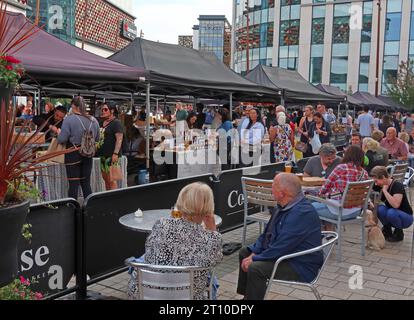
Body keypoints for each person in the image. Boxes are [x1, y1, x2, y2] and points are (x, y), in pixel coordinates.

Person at [128, 182, 223, 300]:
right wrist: (213, 231)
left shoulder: (161, 224)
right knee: (212, 279)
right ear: (208, 207)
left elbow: (151, 251)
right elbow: (215, 262)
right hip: (188, 296)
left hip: (149, 293)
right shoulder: (211, 238)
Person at [237, 173, 323, 300]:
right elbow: (266, 234)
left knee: (256, 268)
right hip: (286, 255)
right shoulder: (282, 206)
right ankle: (248, 296)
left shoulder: (302, 213)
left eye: (273, 186)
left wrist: (255, 259)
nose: (271, 188)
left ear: (283, 193)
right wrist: (254, 253)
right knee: (245, 252)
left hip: (300, 264)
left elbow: (282, 246)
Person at [57, 96, 100, 200]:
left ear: (73, 105)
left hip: (73, 154)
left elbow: (62, 139)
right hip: (88, 153)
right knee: (86, 183)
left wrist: (59, 133)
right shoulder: (94, 120)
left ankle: (73, 212)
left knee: (73, 184)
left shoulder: (69, 119)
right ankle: (89, 210)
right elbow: (97, 138)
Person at [313, 145, 369, 221]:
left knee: (308, 208)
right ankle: (330, 231)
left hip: (338, 211)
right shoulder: (364, 173)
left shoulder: (341, 168)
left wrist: (318, 195)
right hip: (356, 212)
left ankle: (323, 232)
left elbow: (324, 188)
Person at [370, 166, 413, 242]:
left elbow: (396, 205)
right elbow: (368, 190)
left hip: (406, 217)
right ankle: (387, 230)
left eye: (376, 181)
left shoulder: (397, 185)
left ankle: (399, 233)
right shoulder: (379, 184)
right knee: (380, 209)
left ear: (383, 177)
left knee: (391, 212)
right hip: (394, 213)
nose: (376, 184)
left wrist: (385, 191)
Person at [97, 103, 124, 191]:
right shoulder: (102, 122)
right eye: (102, 109)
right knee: (105, 178)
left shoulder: (116, 123)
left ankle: (113, 199)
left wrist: (115, 153)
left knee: (111, 179)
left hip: (111, 156)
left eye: (105, 109)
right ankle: (108, 196)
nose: (103, 111)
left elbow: (119, 139)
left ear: (112, 111)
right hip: (103, 155)